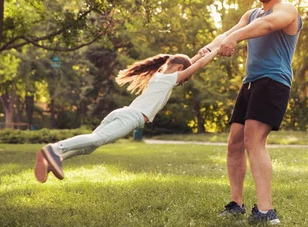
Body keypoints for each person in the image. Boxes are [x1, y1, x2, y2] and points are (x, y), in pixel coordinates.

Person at [198, 0, 302, 224]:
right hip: (251, 83)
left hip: (273, 81)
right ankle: (236, 204)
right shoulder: (251, 14)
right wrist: (207, 49)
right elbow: (229, 33)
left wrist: (234, 39)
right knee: (234, 142)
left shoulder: (286, 9)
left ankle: (267, 212)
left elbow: (268, 26)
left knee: (254, 141)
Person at [34, 48, 220, 183]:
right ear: (179, 69)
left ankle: (54, 160)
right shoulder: (170, 78)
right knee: (97, 139)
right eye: (184, 78)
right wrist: (216, 50)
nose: (183, 82)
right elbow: (198, 65)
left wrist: (197, 56)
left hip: (123, 112)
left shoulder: (160, 75)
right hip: (132, 117)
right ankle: (55, 149)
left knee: (90, 146)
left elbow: (188, 63)